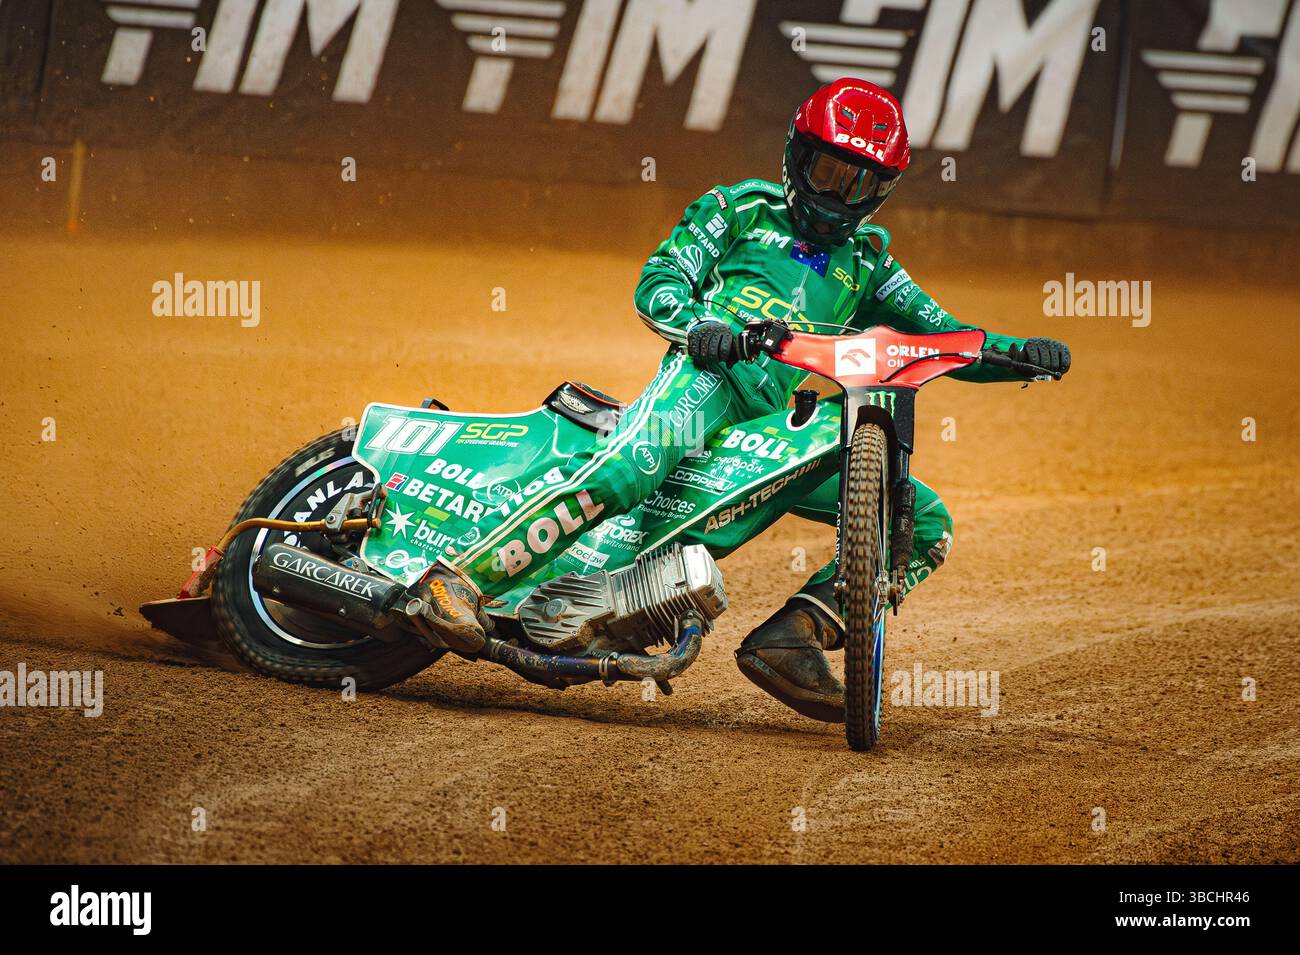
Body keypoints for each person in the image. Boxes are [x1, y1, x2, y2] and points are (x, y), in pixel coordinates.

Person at [415, 79, 1071, 721]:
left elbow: (938, 336)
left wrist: (1019, 353)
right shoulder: (740, 210)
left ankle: (796, 635)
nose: (839, 197)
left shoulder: (868, 264)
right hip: (704, 382)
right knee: (631, 463)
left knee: (923, 521)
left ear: (883, 191)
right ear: (795, 156)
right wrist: (701, 327)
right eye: (829, 171)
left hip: (769, 431)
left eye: (861, 183)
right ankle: (458, 579)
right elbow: (660, 279)